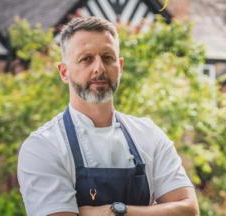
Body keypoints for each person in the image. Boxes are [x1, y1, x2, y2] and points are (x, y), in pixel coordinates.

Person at [17, 16, 199, 216]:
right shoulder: (43, 146)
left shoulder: (149, 135)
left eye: (107, 57)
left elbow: (189, 210)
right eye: (86, 59)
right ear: (64, 72)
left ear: (120, 66)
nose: (99, 68)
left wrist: (114, 212)